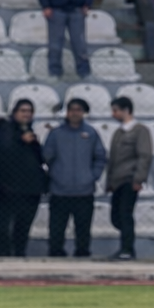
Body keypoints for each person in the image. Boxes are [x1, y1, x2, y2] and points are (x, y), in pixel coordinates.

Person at [42, 98, 106, 258]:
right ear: (67, 112)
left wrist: (92, 176)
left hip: (84, 191)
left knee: (83, 229)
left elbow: (100, 157)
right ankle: (55, 254)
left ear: (83, 112)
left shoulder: (91, 133)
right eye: (72, 109)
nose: (75, 113)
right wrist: (55, 176)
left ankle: (82, 254)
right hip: (59, 191)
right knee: (56, 229)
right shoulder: (56, 134)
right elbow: (45, 157)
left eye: (78, 110)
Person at [0, 98, 45, 256]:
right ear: (14, 113)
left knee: (23, 225)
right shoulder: (6, 131)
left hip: (29, 189)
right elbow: (3, 153)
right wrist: (20, 141)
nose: (26, 114)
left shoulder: (30, 132)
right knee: (4, 226)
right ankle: (2, 255)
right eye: (23, 111)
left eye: (29, 111)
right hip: (7, 188)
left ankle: (19, 253)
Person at [106, 95, 152, 260]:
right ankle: (126, 245)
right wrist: (110, 182)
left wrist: (139, 179)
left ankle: (127, 248)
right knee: (116, 215)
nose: (113, 114)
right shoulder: (119, 132)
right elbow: (112, 159)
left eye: (116, 110)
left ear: (125, 110)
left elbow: (144, 156)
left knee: (125, 213)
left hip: (129, 178)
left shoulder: (140, 131)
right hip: (118, 180)